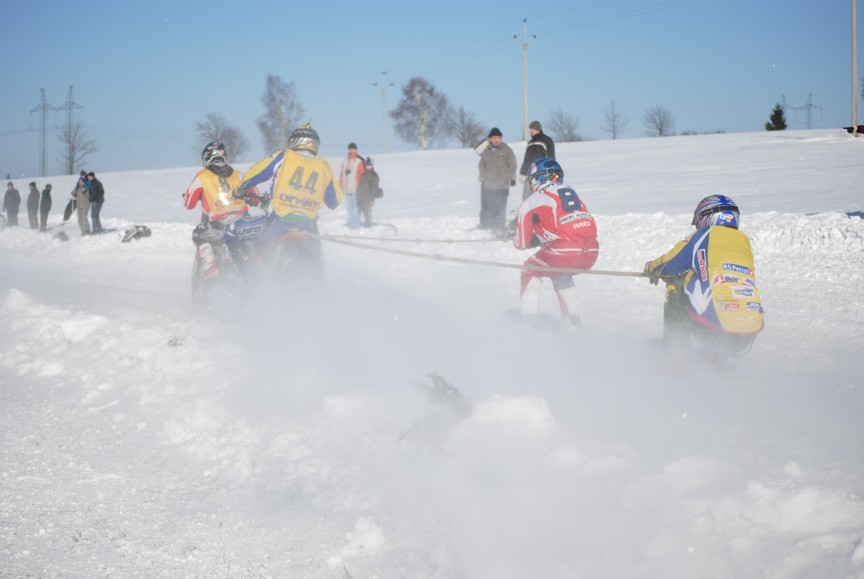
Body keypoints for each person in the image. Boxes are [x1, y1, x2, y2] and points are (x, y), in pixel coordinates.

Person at [643, 194, 764, 358]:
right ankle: (712, 358)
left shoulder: (705, 235)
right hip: (748, 330)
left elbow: (673, 263)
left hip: (718, 328)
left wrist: (653, 268)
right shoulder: (743, 241)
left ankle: (676, 352)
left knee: (676, 284)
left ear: (707, 217)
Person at [235, 123, 343, 279]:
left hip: (280, 220)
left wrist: (241, 188)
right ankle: (318, 287)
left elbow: (257, 172)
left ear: (295, 141)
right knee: (317, 265)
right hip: (308, 225)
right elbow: (335, 201)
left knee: (260, 247)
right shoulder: (324, 166)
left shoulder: (284, 156)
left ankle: (258, 282)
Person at [513, 158, 598, 332]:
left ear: (538, 179)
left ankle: (530, 325)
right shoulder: (570, 191)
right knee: (561, 273)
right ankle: (573, 324)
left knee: (529, 270)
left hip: (564, 250)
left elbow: (521, 243)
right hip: (592, 249)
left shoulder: (532, 199)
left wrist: (532, 239)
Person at [183, 141, 248, 283]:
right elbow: (254, 193)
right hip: (241, 223)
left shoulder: (202, 176)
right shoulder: (238, 175)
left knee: (199, 235)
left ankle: (210, 266)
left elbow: (189, 204)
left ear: (206, 158)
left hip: (218, 224)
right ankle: (253, 265)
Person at [474, 127, 517, 231]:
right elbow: (480, 160)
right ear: (490, 139)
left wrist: (511, 178)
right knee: (487, 207)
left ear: (501, 138)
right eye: (494, 138)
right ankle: (485, 227)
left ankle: (499, 227)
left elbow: (512, 164)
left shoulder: (507, 150)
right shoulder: (485, 150)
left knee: (500, 207)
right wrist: (484, 178)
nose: (496, 140)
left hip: (502, 184)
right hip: (487, 185)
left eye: (498, 138)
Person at [519, 120, 556, 200]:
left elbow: (551, 157)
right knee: (525, 196)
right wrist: (522, 172)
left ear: (538, 129)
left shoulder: (547, 140)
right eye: (530, 129)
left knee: (540, 195)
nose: (530, 131)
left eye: (532, 129)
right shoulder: (531, 143)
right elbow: (527, 159)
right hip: (530, 174)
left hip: (542, 173)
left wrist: (551, 171)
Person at [339, 142, 366, 229]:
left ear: (356, 150)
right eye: (350, 149)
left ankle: (356, 226)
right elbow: (341, 174)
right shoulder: (344, 161)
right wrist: (340, 184)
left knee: (356, 209)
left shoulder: (359, 161)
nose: (351, 150)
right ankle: (351, 225)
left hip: (356, 189)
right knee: (349, 209)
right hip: (347, 189)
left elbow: (362, 175)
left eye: (353, 149)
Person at [355, 157, 382, 228]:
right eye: (367, 165)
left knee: (367, 214)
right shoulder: (363, 174)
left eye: (369, 165)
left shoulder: (375, 175)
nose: (368, 166)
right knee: (356, 214)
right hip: (360, 198)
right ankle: (356, 228)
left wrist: (371, 199)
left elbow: (374, 188)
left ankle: (367, 228)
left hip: (368, 199)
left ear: (372, 165)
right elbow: (360, 186)